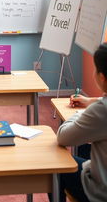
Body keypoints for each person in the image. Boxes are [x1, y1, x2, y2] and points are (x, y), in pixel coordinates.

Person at [56, 43, 107, 202]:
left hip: (101, 191)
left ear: (102, 77)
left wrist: (81, 113)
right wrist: (91, 101)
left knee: (56, 164)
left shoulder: (101, 111)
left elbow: (63, 137)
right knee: (85, 145)